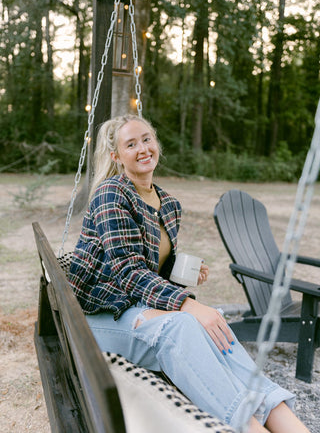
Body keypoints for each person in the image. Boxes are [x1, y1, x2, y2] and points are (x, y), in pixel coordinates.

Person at [69, 114, 310, 433]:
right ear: (116, 156)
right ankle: (248, 425)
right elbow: (129, 272)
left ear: (156, 144)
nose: (142, 148)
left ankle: (287, 422)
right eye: (131, 144)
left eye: (146, 139)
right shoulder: (111, 194)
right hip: (97, 316)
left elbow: (155, 267)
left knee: (212, 326)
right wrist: (189, 304)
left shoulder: (168, 203)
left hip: (135, 308)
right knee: (182, 326)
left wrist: (182, 272)